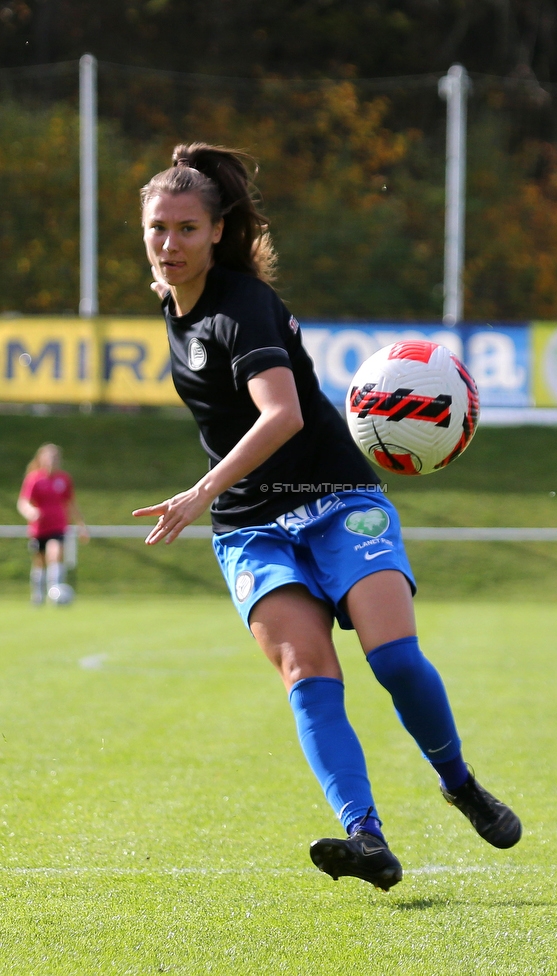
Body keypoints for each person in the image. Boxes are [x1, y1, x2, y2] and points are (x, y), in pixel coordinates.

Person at [134, 143, 522, 892]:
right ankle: (366, 838)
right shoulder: (171, 298)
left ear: (218, 231)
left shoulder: (243, 308)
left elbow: (280, 416)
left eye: (186, 229)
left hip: (338, 499)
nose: (169, 244)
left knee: (395, 659)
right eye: (157, 228)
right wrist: (221, 503)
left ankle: (460, 783)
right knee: (306, 673)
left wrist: (197, 492)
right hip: (251, 527)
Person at [17, 443, 87, 605]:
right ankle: (38, 596)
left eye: (56, 458)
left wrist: (81, 525)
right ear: (41, 459)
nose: (53, 461)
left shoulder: (64, 479)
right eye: (50, 457)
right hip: (39, 528)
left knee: (54, 554)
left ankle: (55, 592)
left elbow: (71, 503)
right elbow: (23, 502)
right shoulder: (34, 479)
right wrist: (31, 512)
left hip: (58, 526)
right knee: (40, 561)